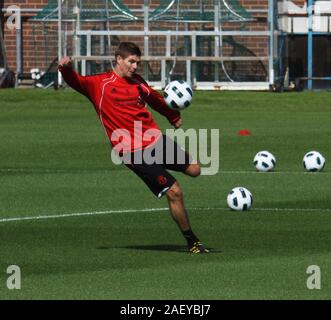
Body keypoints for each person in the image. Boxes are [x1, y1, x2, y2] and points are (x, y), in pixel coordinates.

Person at [58, 42, 209, 253]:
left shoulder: (138, 82)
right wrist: (65, 68)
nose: (135, 66)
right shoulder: (99, 84)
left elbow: (156, 100)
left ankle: (160, 169)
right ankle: (192, 241)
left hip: (153, 140)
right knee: (174, 191)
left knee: (195, 169)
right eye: (131, 61)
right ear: (118, 60)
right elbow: (76, 81)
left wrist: (172, 116)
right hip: (133, 152)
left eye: (137, 62)